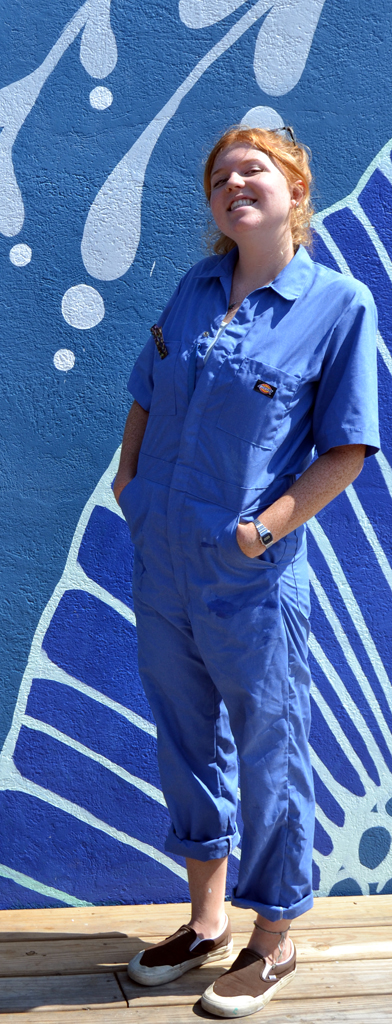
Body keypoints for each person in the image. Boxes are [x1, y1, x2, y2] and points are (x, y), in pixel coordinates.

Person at [112, 124, 380, 1018]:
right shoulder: (195, 288)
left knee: (268, 749)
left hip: (248, 578)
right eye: (221, 176)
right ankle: (206, 921)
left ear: (294, 189)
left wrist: (264, 532)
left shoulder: (336, 305)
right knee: (184, 739)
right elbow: (147, 390)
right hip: (163, 561)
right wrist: (130, 480)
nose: (234, 183)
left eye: (252, 169)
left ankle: (274, 940)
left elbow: (346, 449)